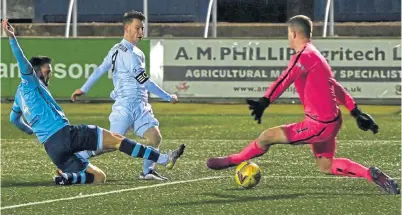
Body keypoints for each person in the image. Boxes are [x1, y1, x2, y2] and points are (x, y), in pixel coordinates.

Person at [206, 15, 400, 195]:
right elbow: (336, 87)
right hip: (331, 121)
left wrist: (265, 101)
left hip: (319, 124)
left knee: (267, 136)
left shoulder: (304, 55)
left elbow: (286, 78)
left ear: (294, 33)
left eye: (288, 34)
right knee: (325, 166)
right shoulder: (317, 56)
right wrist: (355, 111)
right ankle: (371, 174)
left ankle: (233, 160)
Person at [3, 19, 185, 186]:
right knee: (117, 140)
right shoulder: (30, 80)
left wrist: (32, 130)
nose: (49, 74)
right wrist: (12, 37)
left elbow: (14, 120)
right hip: (66, 134)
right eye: (46, 71)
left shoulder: (19, 96)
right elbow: (22, 62)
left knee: (99, 177)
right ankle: (163, 159)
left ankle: (68, 178)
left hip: (52, 149)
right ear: (36, 72)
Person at [71, 11, 177, 181]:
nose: (141, 32)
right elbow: (145, 82)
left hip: (141, 105)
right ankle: (77, 158)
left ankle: (147, 172)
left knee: (154, 137)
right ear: (127, 28)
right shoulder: (130, 54)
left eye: (142, 28)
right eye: (137, 28)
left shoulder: (119, 49)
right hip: (126, 106)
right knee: (110, 144)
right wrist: (168, 97)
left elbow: (100, 69)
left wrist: (84, 88)